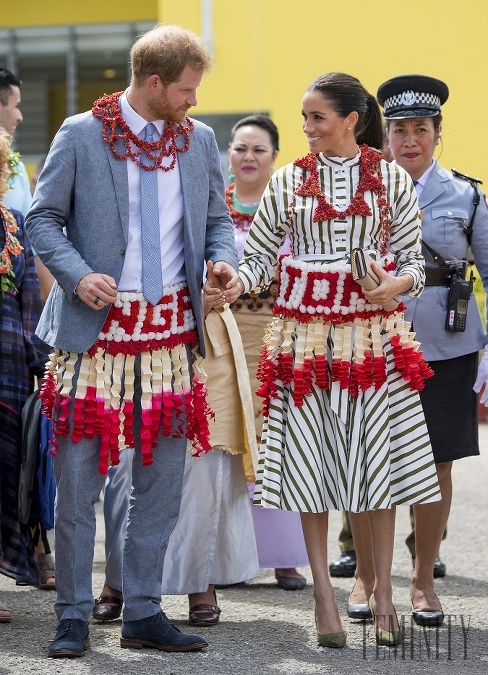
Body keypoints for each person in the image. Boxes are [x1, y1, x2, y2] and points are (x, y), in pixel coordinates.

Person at [25, 24, 241, 658]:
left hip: (171, 335)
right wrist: (76, 273)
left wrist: (224, 265)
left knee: (162, 483)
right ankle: (71, 615)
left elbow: (217, 222)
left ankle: (143, 611)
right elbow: (41, 218)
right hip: (94, 340)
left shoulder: (199, 141)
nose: (194, 101)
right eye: (186, 89)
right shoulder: (81, 133)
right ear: (153, 84)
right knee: (78, 482)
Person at [231, 71, 441, 648]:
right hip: (302, 341)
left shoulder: (393, 180)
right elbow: (258, 261)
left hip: (371, 342)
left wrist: (393, 285)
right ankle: (324, 594)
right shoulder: (287, 182)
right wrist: (230, 281)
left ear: (351, 120)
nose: (307, 128)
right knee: (309, 465)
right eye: (303, 118)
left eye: (317, 117)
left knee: (375, 468)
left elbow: (415, 267)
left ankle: (386, 596)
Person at [365, 73, 488, 627]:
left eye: (421, 129)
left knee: (437, 461)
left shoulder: (467, 194)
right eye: (399, 130)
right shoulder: (363, 191)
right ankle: (369, 581)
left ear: (438, 133)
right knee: (368, 459)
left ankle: (421, 581)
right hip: (372, 343)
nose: (410, 139)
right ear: (384, 136)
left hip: (447, 346)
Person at [92, 296, 260, 626]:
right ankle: (117, 581)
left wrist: (224, 280)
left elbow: (224, 247)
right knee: (128, 463)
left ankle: (202, 587)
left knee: (205, 466)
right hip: (131, 324)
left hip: (204, 331)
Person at [227, 115, 309, 590]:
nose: (249, 157)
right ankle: (231, 555)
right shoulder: (211, 208)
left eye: (259, 149)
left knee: (280, 441)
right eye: (241, 148)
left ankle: (285, 557)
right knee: (227, 443)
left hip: (278, 335)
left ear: (275, 156)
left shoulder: (290, 209)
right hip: (224, 336)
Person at [0, 127, 51, 622]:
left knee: (4, 477)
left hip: (9, 370)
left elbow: (30, 299)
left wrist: (41, 364)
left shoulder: (15, 224)